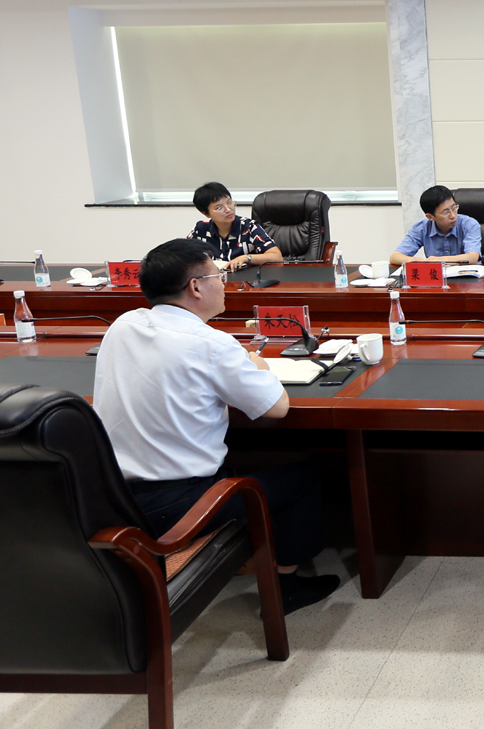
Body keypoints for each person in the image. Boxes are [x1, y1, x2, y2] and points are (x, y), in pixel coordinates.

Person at [93, 238, 340, 614]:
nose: (224, 284)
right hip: (180, 505)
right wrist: (258, 365)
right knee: (302, 479)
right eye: (218, 276)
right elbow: (277, 408)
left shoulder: (122, 326)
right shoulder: (210, 343)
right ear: (195, 287)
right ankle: (286, 587)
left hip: (117, 499)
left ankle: (252, 559)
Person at [188, 182, 283, 271]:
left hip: (245, 280)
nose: (228, 209)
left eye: (229, 202)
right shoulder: (200, 230)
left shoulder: (248, 227)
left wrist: (246, 258)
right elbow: (184, 256)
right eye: (219, 208)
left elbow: (277, 257)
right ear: (206, 214)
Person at [390, 185, 482, 265]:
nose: (453, 215)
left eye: (454, 208)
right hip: (436, 276)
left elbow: (473, 257)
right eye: (446, 212)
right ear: (430, 217)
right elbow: (395, 257)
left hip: (467, 277)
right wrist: (415, 261)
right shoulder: (421, 228)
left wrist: (440, 260)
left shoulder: (469, 224)